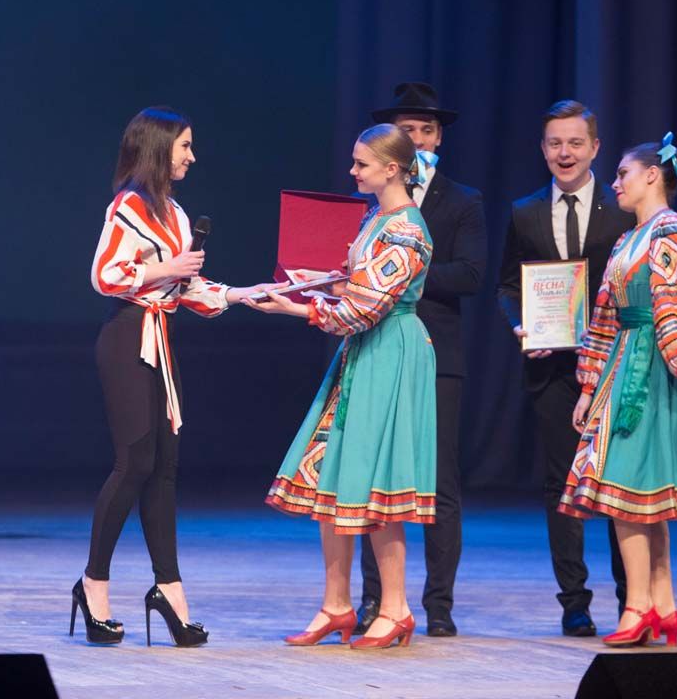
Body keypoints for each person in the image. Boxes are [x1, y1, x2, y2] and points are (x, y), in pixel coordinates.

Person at [73, 106, 278, 647]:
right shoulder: (128, 205)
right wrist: (168, 269)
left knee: (164, 467)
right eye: (185, 145)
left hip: (159, 337)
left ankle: (169, 590)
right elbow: (105, 275)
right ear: (159, 147)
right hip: (127, 336)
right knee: (135, 462)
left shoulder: (178, 214)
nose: (192, 155)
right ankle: (93, 585)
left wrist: (242, 294)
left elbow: (188, 290)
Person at [247, 123, 436, 651]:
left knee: (378, 477)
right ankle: (336, 604)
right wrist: (307, 285)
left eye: (362, 164)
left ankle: (396, 608)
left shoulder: (407, 229)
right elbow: (353, 287)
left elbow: (362, 309)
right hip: (364, 351)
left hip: (389, 349)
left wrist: (296, 308)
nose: (352, 171)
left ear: (392, 169)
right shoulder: (377, 218)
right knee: (333, 469)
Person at [558, 132, 677, 647]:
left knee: (627, 492)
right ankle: (664, 606)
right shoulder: (629, 239)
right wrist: (589, 385)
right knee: (641, 495)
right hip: (623, 364)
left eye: (622, 174)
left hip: (653, 369)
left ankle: (639, 605)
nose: (615, 183)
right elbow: (605, 317)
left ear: (652, 176)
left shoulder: (673, 231)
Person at [353, 82, 486, 638]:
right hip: (378, 348)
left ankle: (438, 604)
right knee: (372, 473)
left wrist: (403, 270)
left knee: (438, 479)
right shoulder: (371, 202)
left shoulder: (461, 200)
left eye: (425, 131)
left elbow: (471, 274)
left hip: (436, 351)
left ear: (438, 139)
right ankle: (375, 599)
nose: (416, 139)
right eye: (406, 130)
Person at [497, 100, 631, 636]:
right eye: (555, 143)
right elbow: (509, 285)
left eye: (575, 142)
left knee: (619, 483)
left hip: (617, 367)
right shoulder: (524, 211)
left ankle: (632, 598)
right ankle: (574, 602)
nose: (565, 152)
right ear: (543, 149)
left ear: (595, 148)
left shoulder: (623, 208)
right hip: (551, 369)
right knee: (561, 486)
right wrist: (520, 325)